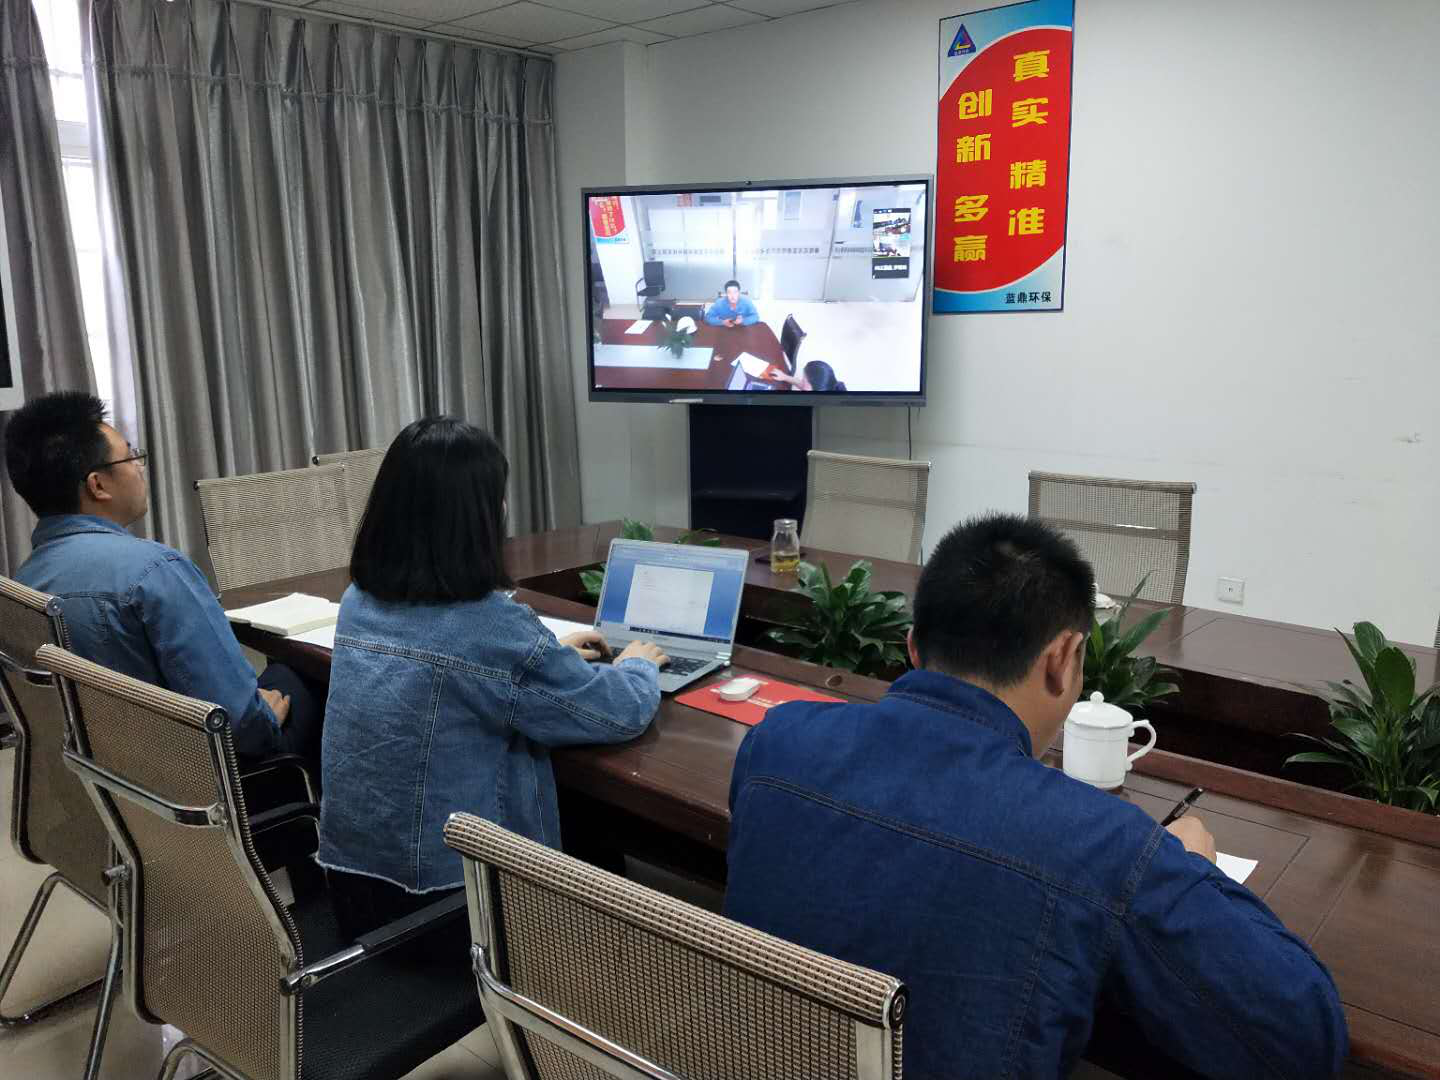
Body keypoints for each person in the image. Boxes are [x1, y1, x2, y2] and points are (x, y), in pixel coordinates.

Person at [724, 514, 1347, 1080]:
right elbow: (1303, 1038)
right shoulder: (1100, 843)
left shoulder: (777, 740)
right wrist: (1190, 870)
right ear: (1064, 658)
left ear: (912, 648)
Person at [316, 416, 667, 938]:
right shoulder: (489, 628)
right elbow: (617, 711)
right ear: (476, 518)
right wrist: (638, 663)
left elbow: (461, 667)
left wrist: (541, 657)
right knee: (599, 842)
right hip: (452, 909)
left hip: (353, 891)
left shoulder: (358, 601)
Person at [3, 391, 321, 764]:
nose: (139, 467)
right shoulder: (154, 572)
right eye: (130, 456)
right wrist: (261, 713)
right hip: (197, 782)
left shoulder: (22, 582)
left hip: (106, 773)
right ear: (97, 485)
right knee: (309, 674)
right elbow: (241, 726)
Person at [768, 359, 847, 392]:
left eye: (804, 380)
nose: (801, 381)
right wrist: (784, 377)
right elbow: (802, 385)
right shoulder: (825, 387)